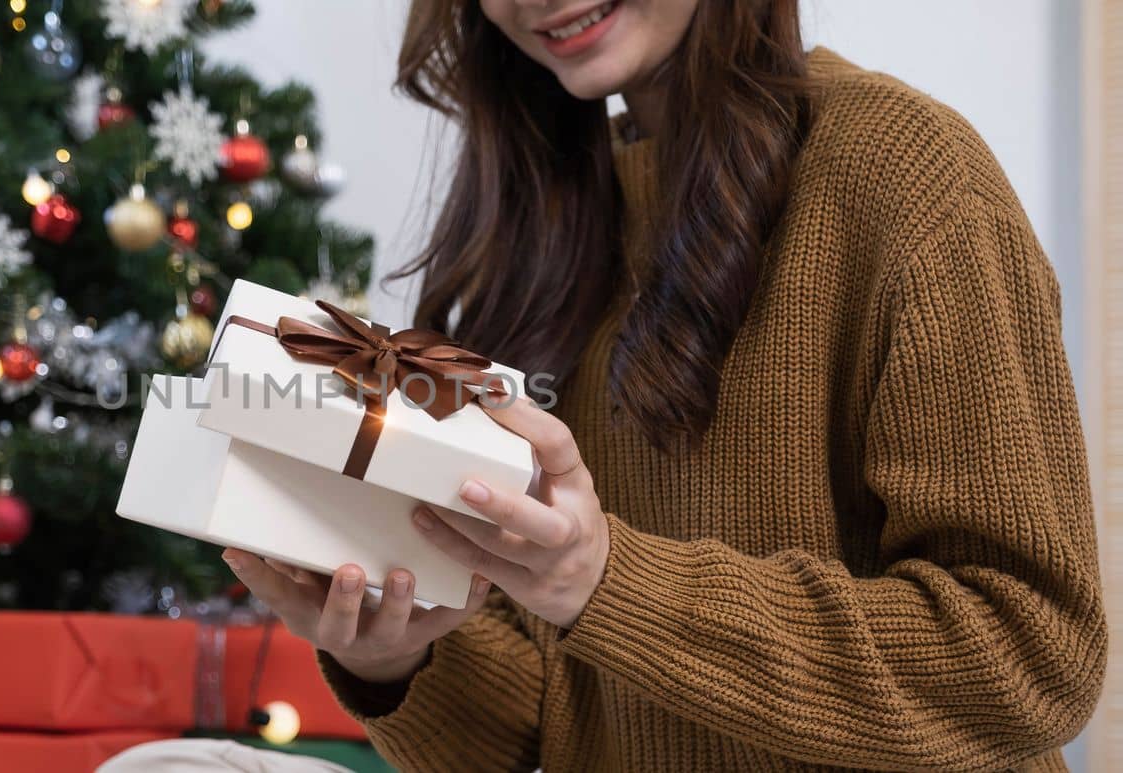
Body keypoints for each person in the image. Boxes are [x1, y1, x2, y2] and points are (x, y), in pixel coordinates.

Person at [221, 0, 1108, 770]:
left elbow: (1030, 657)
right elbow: (549, 725)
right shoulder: (543, 221)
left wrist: (609, 581)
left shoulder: (906, 174)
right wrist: (397, 661)